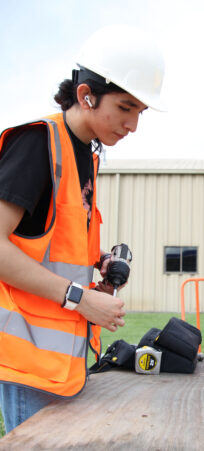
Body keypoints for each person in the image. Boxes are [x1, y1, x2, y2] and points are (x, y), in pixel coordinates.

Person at [0, 24, 166, 433]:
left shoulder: (85, 155)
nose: (133, 125)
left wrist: (100, 262)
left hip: (64, 362)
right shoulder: (37, 143)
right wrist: (79, 298)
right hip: (28, 362)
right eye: (125, 108)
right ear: (86, 95)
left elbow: (55, 242)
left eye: (140, 113)